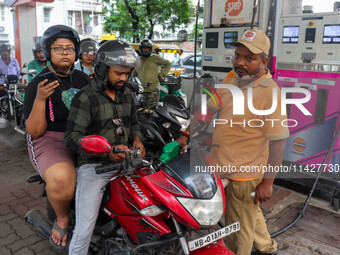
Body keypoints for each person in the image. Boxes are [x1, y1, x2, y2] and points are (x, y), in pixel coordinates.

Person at [177, 29, 289, 255]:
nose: (240, 62)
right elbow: (209, 109)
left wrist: (268, 183)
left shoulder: (270, 92)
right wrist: (186, 134)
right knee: (250, 213)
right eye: (238, 56)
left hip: (244, 174)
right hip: (223, 166)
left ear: (264, 61)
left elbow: (278, 142)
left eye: (249, 58)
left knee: (238, 230)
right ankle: (268, 248)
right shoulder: (232, 78)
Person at [64, 40, 145, 255]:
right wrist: (106, 152)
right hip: (95, 167)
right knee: (84, 230)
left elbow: (135, 124)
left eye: (127, 74)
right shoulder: (86, 98)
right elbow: (72, 138)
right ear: (102, 68)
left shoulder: (127, 95)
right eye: (118, 73)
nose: (123, 78)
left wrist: (137, 139)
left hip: (127, 164)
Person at [23, 25, 90, 250]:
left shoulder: (84, 80)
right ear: (48, 51)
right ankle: (62, 218)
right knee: (62, 178)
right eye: (58, 48)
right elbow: (34, 131)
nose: (64, 53)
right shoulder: (38, 84)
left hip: (81, 136)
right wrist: (41, 99)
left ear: (76, 52)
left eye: (69, 48)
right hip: (49, 139)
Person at [132, 38, 172, 111]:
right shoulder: (138, 60)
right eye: (144, 48)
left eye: (147, 48)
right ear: (141, 49)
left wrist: (161, 74)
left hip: (153, 90)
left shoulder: (155, 58)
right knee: (140, 111)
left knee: (151, 111)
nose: (145, 50)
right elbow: (134, 73)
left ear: (150, 49)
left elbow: (169, 64)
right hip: (141, 91)